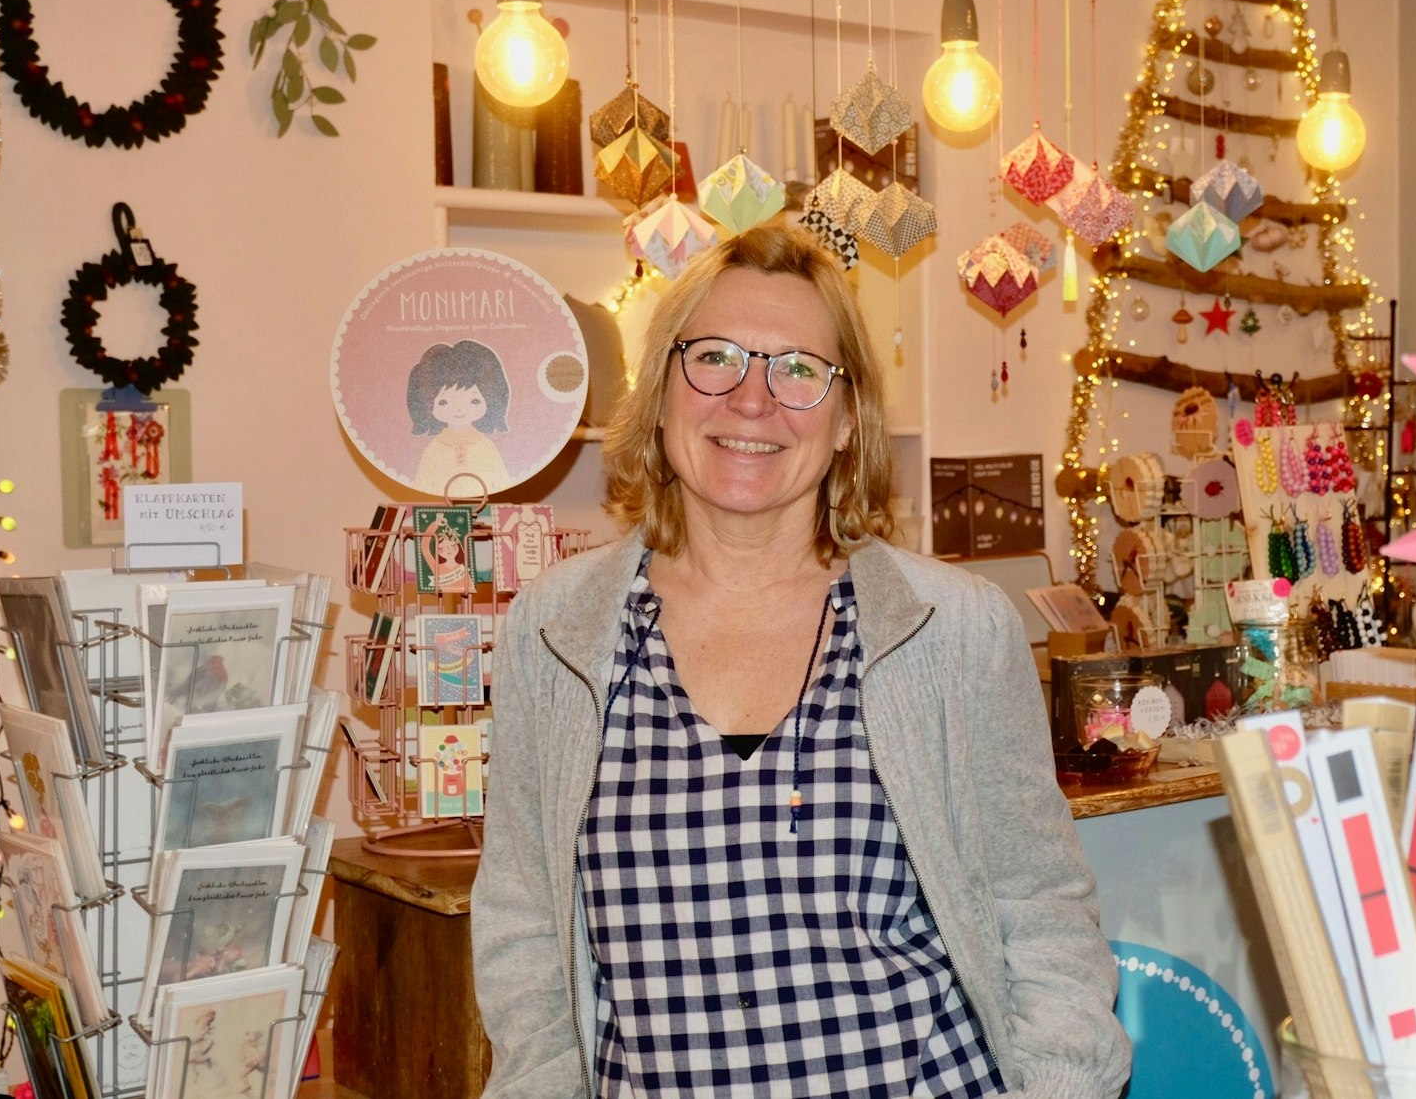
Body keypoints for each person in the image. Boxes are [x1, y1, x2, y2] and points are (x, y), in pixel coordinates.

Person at [472, 222, 1130, 1099]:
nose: (753, 400)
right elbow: (522, 927)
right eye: (716, 358)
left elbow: (1041, 908)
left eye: (797, 371)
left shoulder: (953, 630)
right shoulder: (556, 633)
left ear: (848, 417)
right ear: (662, 390)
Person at [407, 339, 513, 493]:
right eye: (443, 402)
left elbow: (502, 483)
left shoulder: (486, 447)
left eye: (473, 400)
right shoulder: (434, 450)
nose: (459, 409)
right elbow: (421, 486)